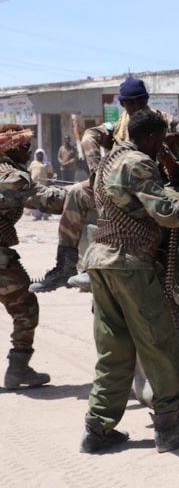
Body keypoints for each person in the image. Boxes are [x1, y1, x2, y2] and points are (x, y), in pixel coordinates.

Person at [79, 109, 179, 454]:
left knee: (114, 348)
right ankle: (169, 428)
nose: (162, 147)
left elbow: (140, 204)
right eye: (160, 141)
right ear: (151, 137)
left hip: (102, 262)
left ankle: (97, 428)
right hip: (129, 265)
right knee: (157, 343)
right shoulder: (138, 162)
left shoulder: (107, 161)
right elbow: (166, 214)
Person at [29, 76, 179, 293]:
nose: (136, 107)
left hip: (155, 186)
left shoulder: (165, 122)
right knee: (76, 192)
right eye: (130, 103)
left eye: (140, 102)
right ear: (122, 104)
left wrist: (169, 154)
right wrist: (98, 174)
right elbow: (88, 136)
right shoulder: (118, 125)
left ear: (147, 100)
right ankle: (66, 266)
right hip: (118, 184)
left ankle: (105, 265)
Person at [0, 124, 67, 389]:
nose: (27, 153)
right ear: (11, 148)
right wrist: (83, 194)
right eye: (24, 148)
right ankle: (18, 370)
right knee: (25, 308)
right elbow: (47, 200)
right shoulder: (11, 177)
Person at [27, 148, 54, 220]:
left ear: (43, 155)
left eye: (41, 154)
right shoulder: (33, 163)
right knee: (35, 200)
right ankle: (37, 215)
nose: (39, 155)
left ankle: (45, 215)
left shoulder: (46, 163)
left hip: (43, 184)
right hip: (34, 184)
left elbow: (50, 173)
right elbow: (29, 172)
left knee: (44, 200)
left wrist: (49, 182)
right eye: (38, 154)